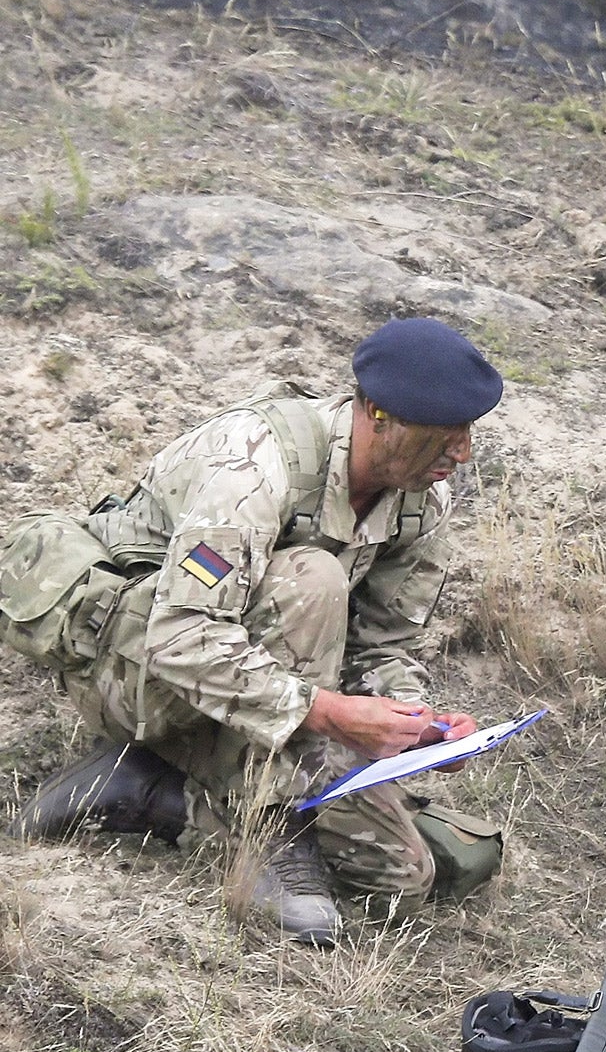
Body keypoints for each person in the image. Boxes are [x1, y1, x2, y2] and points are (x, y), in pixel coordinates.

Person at [1, 317, 503, 948]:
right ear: (375, 413)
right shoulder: (255, 466)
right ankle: (267, 823)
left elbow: (382, 645)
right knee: (312, 578)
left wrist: (414, 721)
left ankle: (154, 790)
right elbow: (179, 637)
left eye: (467, 431)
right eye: (442, 433)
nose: (460, 452)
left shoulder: (419, 500)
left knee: (398, 879)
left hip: (265, 686)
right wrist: (327, 712)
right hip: (137, 674)